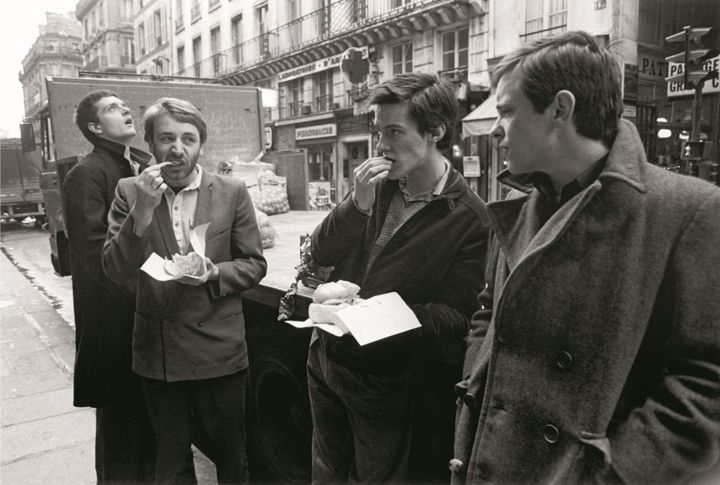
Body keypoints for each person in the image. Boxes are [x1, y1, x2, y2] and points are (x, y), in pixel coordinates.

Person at [453, 31, 720, 484]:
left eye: (506, 111)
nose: (495, 128)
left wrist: (614, 473)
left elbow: (706, 382)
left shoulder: (688, 209)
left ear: (560, 109)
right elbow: (488, 312)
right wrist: (477, 391)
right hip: (491, 459)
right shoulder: (518, 208)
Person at [307, 72, 490, 484]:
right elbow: (321, 252)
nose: (381, 145)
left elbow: (458, 317)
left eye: (393, 131)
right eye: (378, 131)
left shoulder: (471, 218)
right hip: (326, 358)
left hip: (384, 378)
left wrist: (377, 315)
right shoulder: (376, 187)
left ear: (435, 131)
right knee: (325, 472)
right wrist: (355, 204)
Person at [102, 97, 267, 485]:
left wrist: (212, 273)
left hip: (220, 350)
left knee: (232, 457)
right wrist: (142, 210)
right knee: (172, 461)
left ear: (200, 144)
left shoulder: (231, 191)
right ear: (150, 143)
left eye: (188, 139)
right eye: (167, 138)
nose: (178, 149)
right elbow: (113, 270)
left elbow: (254, 264)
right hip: (159, 350)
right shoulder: (129, 191)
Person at [64, 89, 156, 484]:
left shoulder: (134, 164)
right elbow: (94, 255)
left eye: (125, 106)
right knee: (121, 426)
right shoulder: (87, 173)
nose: (126, 111)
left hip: (138, 314)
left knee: (146, 421)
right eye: (113, 109)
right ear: (95, 127)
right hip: (114, 321)